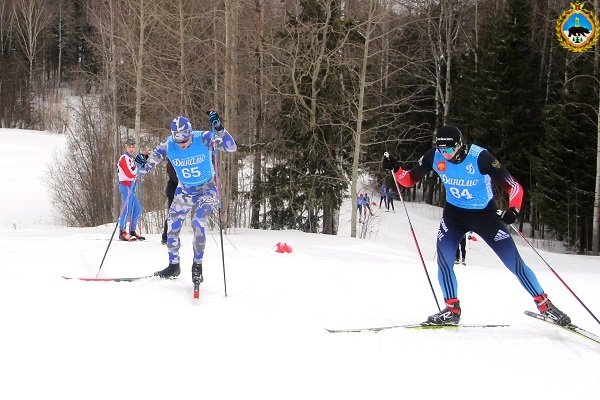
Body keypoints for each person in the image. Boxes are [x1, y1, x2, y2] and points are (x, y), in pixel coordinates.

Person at [382, 125, 571, 326]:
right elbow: (409, 180)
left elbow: (514, 186)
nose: (444, 154)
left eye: (448, 150)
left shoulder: (480, 157)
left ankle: (545, 306)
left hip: (485, 215)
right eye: (440, 149)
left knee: (513, 262)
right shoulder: (435, 156)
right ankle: (452, 309)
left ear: (459, 145)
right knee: (444, 260)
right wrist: (396, 168)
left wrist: (513, 210)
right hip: (454, 215)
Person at [136, 111, 237, 287]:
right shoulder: (168, 145)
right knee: (172, 226)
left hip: (206, 189)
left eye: (184, 141)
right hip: (185, 190)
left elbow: (231, 146)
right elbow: (145, 169)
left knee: (198, 223)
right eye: (178, 141)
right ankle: (174, 266)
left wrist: (219, 128)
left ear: (190, 134)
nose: (182, 145)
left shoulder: (204, 138)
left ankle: (197, 266)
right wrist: (140, 162)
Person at [117, 138, 146, 241]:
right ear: (125, 147)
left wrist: (141, 163)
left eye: (133, 147)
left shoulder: (131, 159)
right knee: (127, 209)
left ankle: (132, 231)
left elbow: (135, 172)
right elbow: (130, 173)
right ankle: (122, 232)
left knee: (137, 209)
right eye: (129, 147)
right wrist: (138, 166)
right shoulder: (124, 158)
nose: (131, 149)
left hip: (132, 187)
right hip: (125, 186)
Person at [161, 158, 178, 245]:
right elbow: (173, 176)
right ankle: (166, 237)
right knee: (172, 214)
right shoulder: (172, 159)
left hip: (182, 188)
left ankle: (171, 236)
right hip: (173, 188)